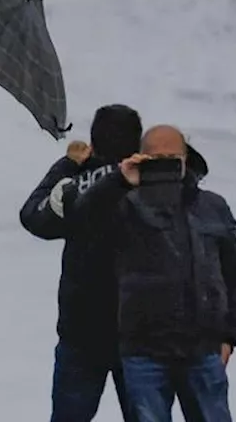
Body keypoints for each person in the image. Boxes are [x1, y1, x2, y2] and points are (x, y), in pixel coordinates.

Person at [58, 125, 236, 422]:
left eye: (172, 158)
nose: (164, 165)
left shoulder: (212, 206)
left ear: (187, 159)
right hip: (143, 353)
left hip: (202, 350)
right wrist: (120, 180)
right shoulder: (123, 207)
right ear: (140, 158)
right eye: (155, 158)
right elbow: (82, 222)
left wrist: (229, 335)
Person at [19, 104, 144, 422]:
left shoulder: (77, 185)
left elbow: (33, 217)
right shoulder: (152, 186)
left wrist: (67, 165)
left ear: (94, 140)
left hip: (82, 328)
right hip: (141, 329)